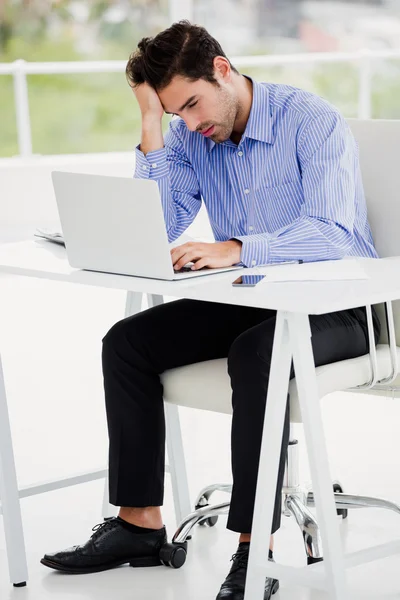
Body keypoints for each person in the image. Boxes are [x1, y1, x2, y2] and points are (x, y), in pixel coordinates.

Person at [41, 20, 381, 600]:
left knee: (255, 354)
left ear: (222, 68)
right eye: (178, 114)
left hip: (341, 306)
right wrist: (152, 125)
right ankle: (139, 526)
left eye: (193, 105)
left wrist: (238, 248)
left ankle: (256, 551)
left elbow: (335, 234)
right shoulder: (190, 133)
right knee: (127, 343)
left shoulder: (310, 120)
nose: (193, 124)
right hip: (253, 297)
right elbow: (162, 223)